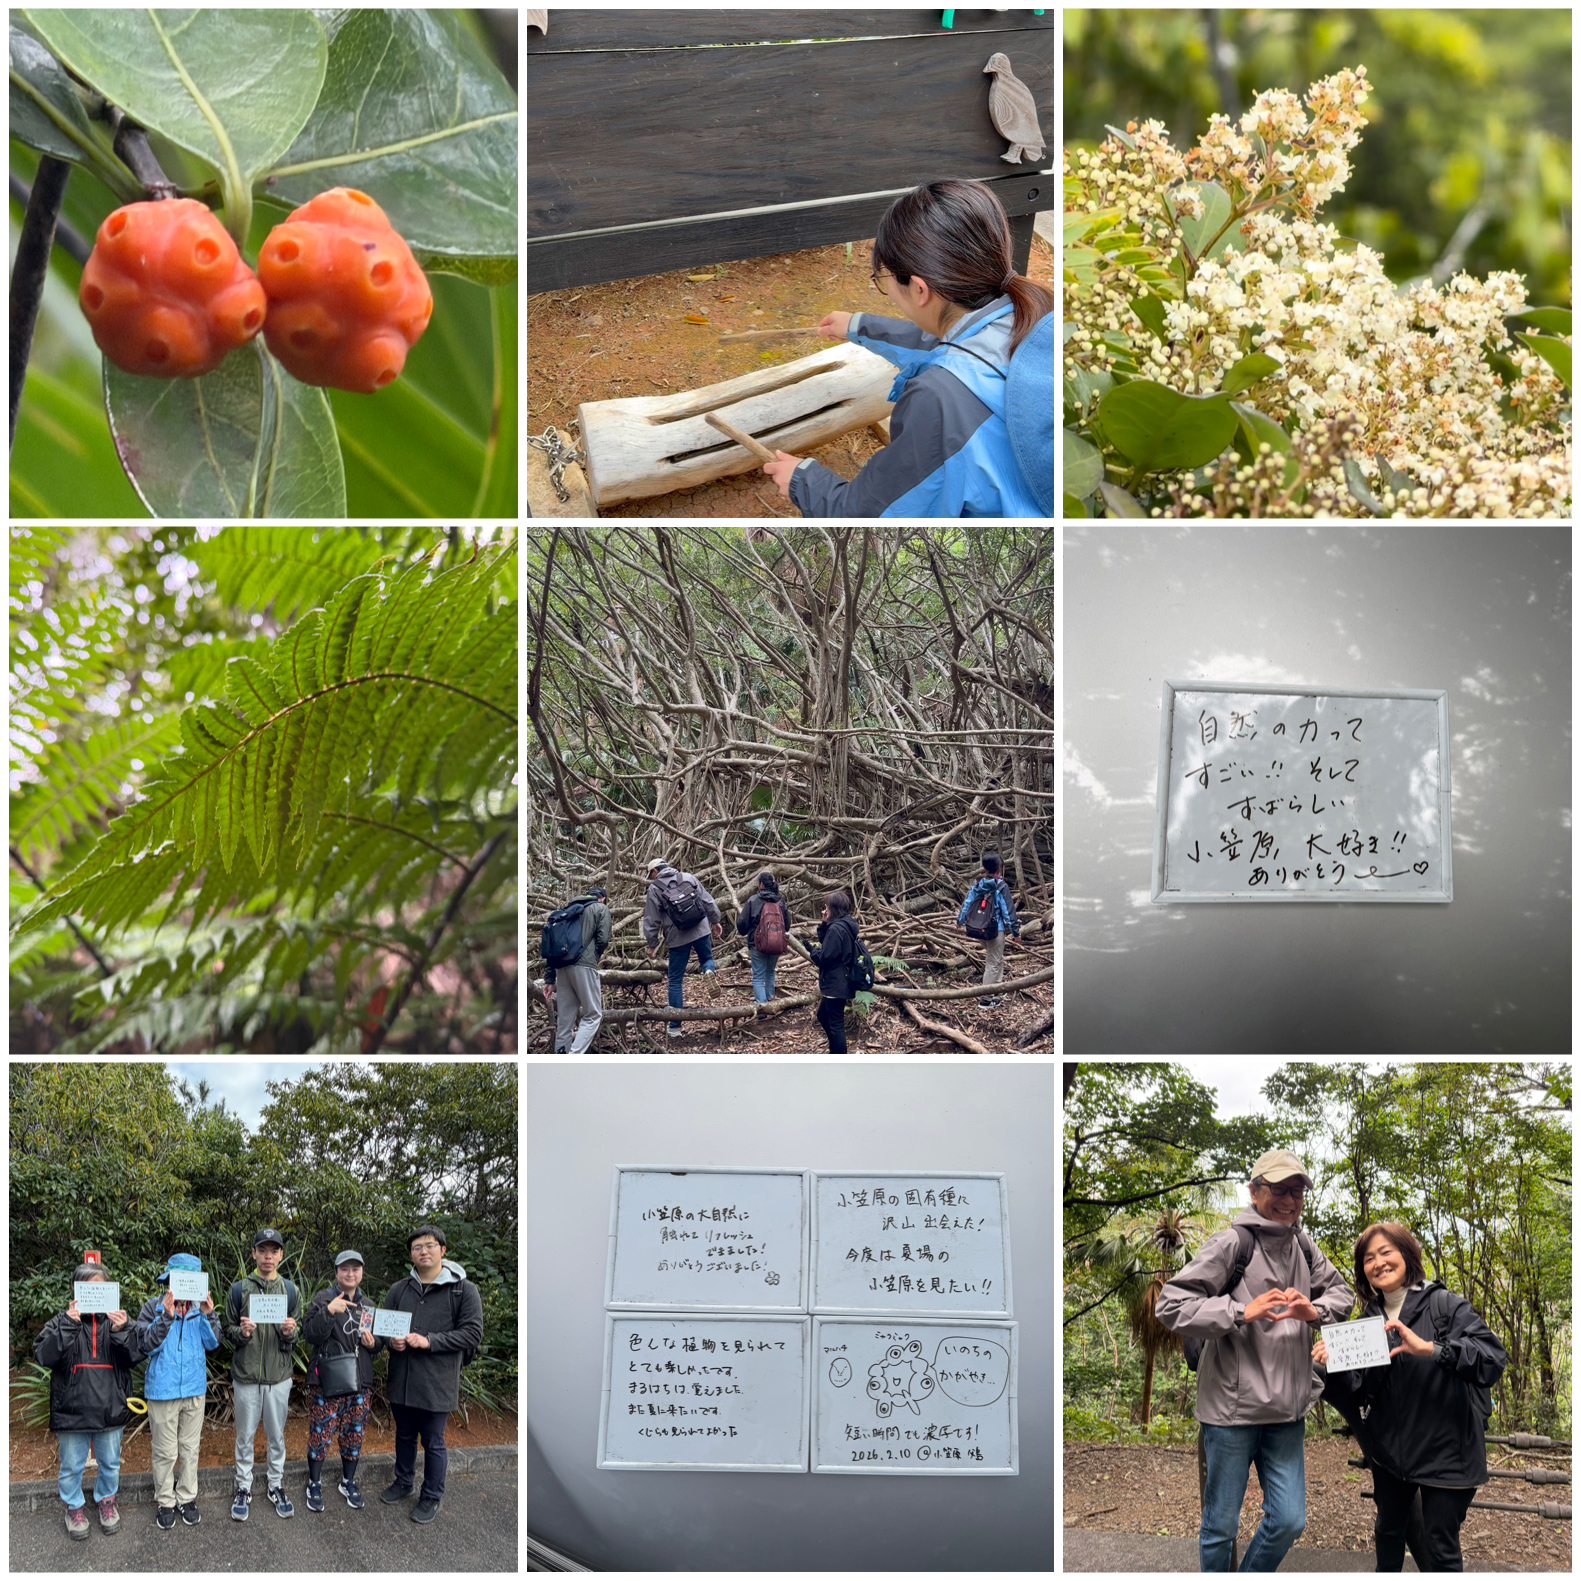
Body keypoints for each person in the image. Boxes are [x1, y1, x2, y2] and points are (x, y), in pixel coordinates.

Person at [759, 180, 1053, 517]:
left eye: (883, 282)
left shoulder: (937, 400)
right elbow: (952, 348)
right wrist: (860, 327)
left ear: (919, 289)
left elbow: (871, 515)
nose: (887, 291)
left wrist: (802, 481)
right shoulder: (1034, 314)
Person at [1154, 1150, 1355, 1573]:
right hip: (1230, 1412)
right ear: (1254, 1190)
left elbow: (1342, 1295)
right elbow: (1171, 1305)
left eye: (1297, 1190)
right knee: (1220, 1527)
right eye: (1280, 1189)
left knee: (1288, 1520)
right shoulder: (1232, 1242)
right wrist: (1240, 1311)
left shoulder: (1304, 1245)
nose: (1289, 1199)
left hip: (1286, 1410)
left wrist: (1313, 1312)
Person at [1314, 1221, 1508, 1573]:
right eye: (1369, 1258)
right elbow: (1359, 1391)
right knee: (1388, 1533)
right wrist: (1336, 1362)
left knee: (1440, 1547)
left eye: (1387, 1252)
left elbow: (1493, 1359)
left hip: (1447, 1454)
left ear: (1407, 1254)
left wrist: (1432, 1349)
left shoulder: (1444, 1305)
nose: (1379, 1263)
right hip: (1391, 1456)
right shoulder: (1368, 1319)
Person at [379, 1226, 485, 1524]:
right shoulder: (399, 1289)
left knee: (434, 1441)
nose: (423, 1251)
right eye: (416, 1247)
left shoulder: (462, 1289)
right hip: (402, 1378)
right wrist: (392, 1341)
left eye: (429, 1245)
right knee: (403, 1435)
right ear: (411, 1254)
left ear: (443, 1250)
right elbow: (385, 1329)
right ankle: (403, 1482)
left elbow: (473, 1333)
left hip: (437, 1382)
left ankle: (431, 1496)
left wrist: (430, 1341)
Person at [34, 1262, 137, 1542]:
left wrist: (123, 1330)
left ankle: (106, 1501)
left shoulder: (118, 1321)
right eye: (88, 1288)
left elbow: (135, 1356)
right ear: (76, 1290)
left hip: (111, 1408)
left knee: (110, 1463)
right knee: (71, 1466)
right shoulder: (61, 1321)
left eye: (100, 1288)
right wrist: (68, 1324)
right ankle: (74, 1507)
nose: (95, 1293)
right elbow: (44, 1355)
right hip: (71, 1411)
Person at [133, 1253, 221, 1531]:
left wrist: (208, 1315)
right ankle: (165, 1500)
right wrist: (166, 1317)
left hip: (194, 1389)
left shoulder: (201, 1308)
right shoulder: (153, 1307)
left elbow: (213, 1343)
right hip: (163, 1390)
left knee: (190, 1448)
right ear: (169, 1280)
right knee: (164, 1451)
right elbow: (145, 1345)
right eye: (178, 1279)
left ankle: (186, 1497)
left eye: (189, 1280)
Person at [224, 1228, 300, 1520]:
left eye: (274, 1251)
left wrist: (289, 1333)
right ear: (254, 1253)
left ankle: (275, 1484)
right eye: (262, 1250)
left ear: (280, 1255)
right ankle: (243, 1486)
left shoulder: (290, 1290)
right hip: (246, 1376)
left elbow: (299, 1331)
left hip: (278, 1377)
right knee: (244, 1435)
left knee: (276, 1436)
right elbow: (227, 1328)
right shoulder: (239, 1289)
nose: (268, 1256)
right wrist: (241, 1333)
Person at [301, 1249, 382, 1513]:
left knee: (354, 1435)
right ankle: (314, 1482)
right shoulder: (323, 1298)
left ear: (361, 1272)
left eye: (355, 1269)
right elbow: (309, 1334)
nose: (350, 1274)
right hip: (328, 1381)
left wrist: (373, 1343)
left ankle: (348, 1481)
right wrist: (328, 1311)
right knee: (320, 1434)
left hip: (359, 1382)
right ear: (336, 1272)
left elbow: (377, 1343)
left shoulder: (367, 1304)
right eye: (345, 1269)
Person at [641, 857, 723, 1039]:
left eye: (651, 875)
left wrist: (652, 944)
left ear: (655, 871)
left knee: (675, 979)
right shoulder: (688, 877)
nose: (651, 879)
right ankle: (709, 971)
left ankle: (675, 1027)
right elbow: (707, 900)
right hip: (701, 928)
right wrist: (715, 921)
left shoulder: (655, 889)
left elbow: (651, 919)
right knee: (707, 959)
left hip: (677, 936)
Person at [542, 883, 613, 1055]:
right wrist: (593, 956)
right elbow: (603, 938)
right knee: (593, 1014)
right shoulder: (600, 908)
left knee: (565, 1020)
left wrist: (549, 979)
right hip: (584, 966)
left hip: (561, 968)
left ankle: (561, 1056)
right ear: (602, 898)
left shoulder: (567, 911)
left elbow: (552, 945)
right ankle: (574, 1057)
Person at [794, 890, 860, 1054]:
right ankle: (835, 1052)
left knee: (835, 1023)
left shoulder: (837, 929)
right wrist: (824, 924)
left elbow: (825, 957)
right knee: (823, 1016)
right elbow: (829, 944)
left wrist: (811, 950)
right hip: (840, 981)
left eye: (826, 907)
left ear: (834, 908)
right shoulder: (844, 925)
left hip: (836, 982)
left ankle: (839, 1057)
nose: (824, 910)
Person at [956, 851, 1022, 1009]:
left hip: (979, 928)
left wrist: (960, 921)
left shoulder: (978, 883)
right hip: (995, 930)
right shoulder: (1000, 886)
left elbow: (967, 903)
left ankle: (997, 989)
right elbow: (1008, 911)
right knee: (993, 962)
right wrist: (1015, 932)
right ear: (999, 867)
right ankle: (985, 999)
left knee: (996, 958)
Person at [736, 869, 792, 1017]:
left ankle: (761, 1008)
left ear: (761, 884)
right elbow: (787, 924)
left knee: (758, 976)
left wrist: (746, 931)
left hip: (757, 943)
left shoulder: (753, 900)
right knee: (770, 971)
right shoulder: (780, 901)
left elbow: (742, 923)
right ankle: (770, 1000)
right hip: (777, 943)